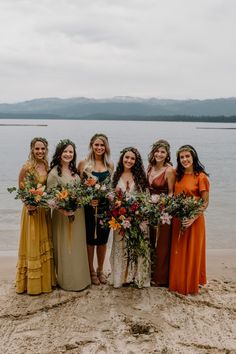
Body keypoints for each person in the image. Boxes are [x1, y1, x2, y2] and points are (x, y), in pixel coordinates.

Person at [47, 139, 90, 291]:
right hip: (62, 216)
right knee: (66, 246)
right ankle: (68, 282)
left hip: (78, 214)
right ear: (59, 153)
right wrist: (63, 210)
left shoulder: (74, 170)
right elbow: (50, 199)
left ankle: (81, 279)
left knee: (78, 245)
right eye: (65, 151)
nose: (68, 154)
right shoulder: (53, 173)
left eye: (70, 151)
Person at [16, 137, 55, 295]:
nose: (40, 151)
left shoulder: (47, 166)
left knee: (43, 241)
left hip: (43, 210)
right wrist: (28, 203)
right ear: (32, 149)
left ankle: (46, 281)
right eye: (37, 148)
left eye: (43, 149)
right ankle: (30, 285)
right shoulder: (26, 167)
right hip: (31, 211)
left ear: (46, 150)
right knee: (32, 242)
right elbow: (21, 190)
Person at [169, 145, 210, 295]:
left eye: (187, 156)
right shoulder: (177, 174)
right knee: (178, 251)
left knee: (192, 252)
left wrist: (192, 218)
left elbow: (205, 202)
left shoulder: (201, 177)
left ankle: (191, 284)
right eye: (181, 157)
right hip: (178, 219)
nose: (185, 159)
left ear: (193, 157)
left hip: (195, 220)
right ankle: (177, 282)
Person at [110, 147, 150, 288]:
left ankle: (137, 277)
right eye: (126, 157)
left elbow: (146, 199)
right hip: (119, 218)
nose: (129, 160)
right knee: (121, 247)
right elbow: (111, 198)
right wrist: (118, 212)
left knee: (137, 247)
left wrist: (139, 215)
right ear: (122, 158)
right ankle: (121, 278)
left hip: (137, 218)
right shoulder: (115, 175)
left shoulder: (140, 177)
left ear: (136, 161)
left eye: (132, 158)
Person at [78, 133, 114, 285]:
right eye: (96, 145)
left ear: (106, 147)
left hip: (105, 208)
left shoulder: (110, 165)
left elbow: (111, 188)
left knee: (102, 240)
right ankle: (91, 270)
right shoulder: (84, 164)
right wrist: (88, 199)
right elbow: (79, 188)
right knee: (89, 239)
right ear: (91, 145)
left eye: (102, 145)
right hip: (88, 207)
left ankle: (100, 269)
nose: (99, 147)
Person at [147, 139, 175, 286]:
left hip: (164, 211)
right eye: (157, 151)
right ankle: (150, 272)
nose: (159, 154)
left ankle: (160, 277)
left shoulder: (169, 170)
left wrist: (162, 205)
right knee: (150, 240)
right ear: (153, 152)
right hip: (149, 209)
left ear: (167, 154)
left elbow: (171, 193)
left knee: (162, 242)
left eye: (162, 152)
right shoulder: (149, 167)